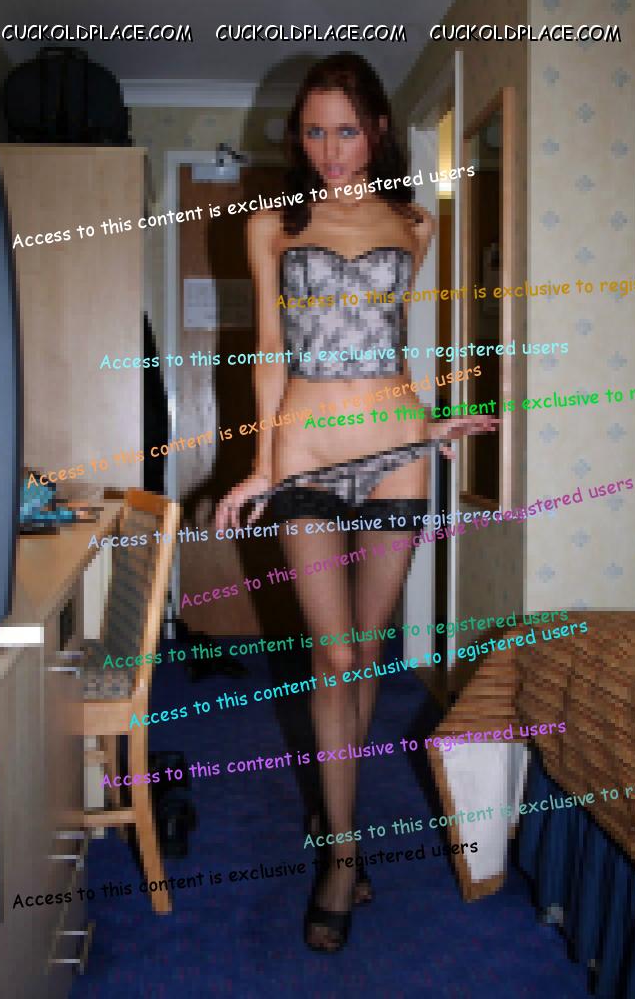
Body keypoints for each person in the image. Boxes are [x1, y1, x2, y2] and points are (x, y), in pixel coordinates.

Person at [214, 52, 497, 953]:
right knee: (333, 657)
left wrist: (429, 422)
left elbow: (395, 345)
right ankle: (341, 853)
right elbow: (268, 354)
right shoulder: (272, 223)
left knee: (364, 656)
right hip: (303, 458)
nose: (329, 149)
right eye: (313, 132)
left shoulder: (416, 221)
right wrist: (261, 468)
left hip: (397, 457)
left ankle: (335, 820)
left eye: (345, 130)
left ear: (375, 130)